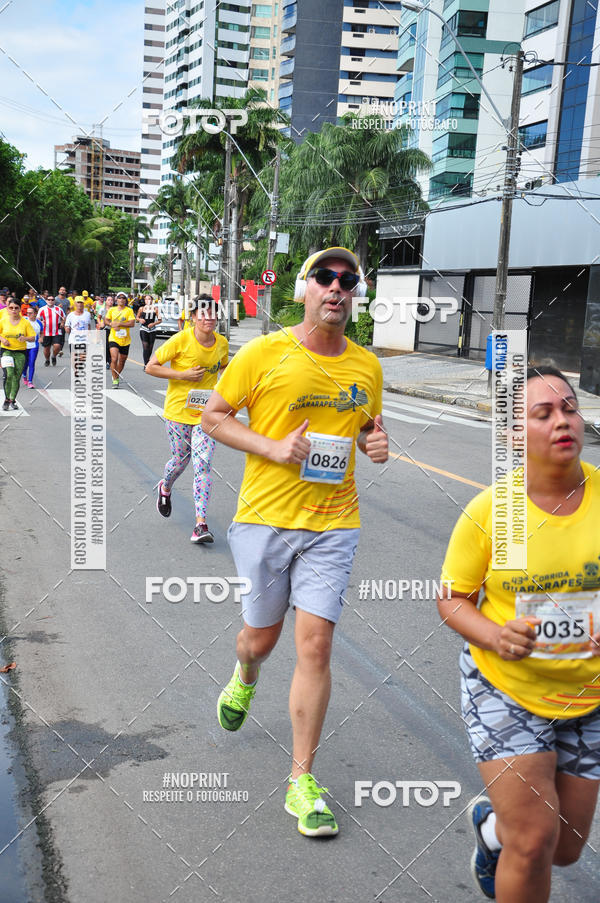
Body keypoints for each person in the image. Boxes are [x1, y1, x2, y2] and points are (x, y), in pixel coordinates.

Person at [202, 247, 388, 837]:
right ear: (303, 290)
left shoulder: (367, 368)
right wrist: (274, 447)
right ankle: (244, 675)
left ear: (354, 293)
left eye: (347, 280)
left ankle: (301, 781)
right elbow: (213, 416)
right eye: (325, 278)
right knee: (260, 641)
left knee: (315, 647)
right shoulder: (264, 352)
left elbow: (368, 430)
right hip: (265, 521)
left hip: (333, 523)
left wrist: (376, 446)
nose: (337, 287)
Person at [438, 365, 600, 902]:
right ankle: (510, 832)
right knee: (533, 840)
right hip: (504, 687)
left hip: (588, 694)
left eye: (570, 408)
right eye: (543, 413)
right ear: (513, 433)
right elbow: (452, 599)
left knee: (565, 848)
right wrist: (494, 634)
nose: (563, 421)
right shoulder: (494, 512)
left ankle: (491, 830)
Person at [145, 296, 228, 543]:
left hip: (207, 414)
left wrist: (224, 386)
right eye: (202, 314)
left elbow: (224, 367)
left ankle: (200, 524)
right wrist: (182, 375)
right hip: (178, 412)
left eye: (212, 314)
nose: (207, 319)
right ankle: (165, 486)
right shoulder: (181, 339)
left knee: (202, 464)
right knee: (180, 461)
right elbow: (151, 366)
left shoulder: (222, 343)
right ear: (193, 317)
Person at [0, 298, 37, 409]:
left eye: (16, 308)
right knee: (9, 375)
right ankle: (6, 399)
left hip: (20, 352)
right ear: (8, 309)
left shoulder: (25, 323)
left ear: (20, 309)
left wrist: (25, 338)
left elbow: (32, 338)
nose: (14, 310)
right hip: (6, 351)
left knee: (16, 377)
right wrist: (2, 339)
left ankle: (12, 400)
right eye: (11, 308)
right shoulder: (3, 321)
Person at [100, 291, 135, 387]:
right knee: (114, 359)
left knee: (122, 361)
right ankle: (115, 379)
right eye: (119, 297)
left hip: (125, 339)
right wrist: (111, 324)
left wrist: (119, 324)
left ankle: (116, 374)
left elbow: (132, 323)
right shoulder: (112, 310)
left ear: (126, 300)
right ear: (117, 299)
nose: (121, 299)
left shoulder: (129, 311)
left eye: (123, 298)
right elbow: (106, 320)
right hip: (113, 338)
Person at [65, 297, 94, 367]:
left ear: (83, 304)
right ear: (75, 303)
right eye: (78, 302)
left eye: (81, 302)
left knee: (82, 358)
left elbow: (89, 325)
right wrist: (67, 329)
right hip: (73, 340)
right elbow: (66, 326)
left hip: (84, 339)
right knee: (74, 357)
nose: (80, 304)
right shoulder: (70, 315)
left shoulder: (87, 314)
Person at [37, 295, 65, 366]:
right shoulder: (42, 309)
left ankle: (54, 356)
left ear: (54, 301)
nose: (50, 301)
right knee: (47, 348)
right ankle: (47, 359)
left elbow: (63, 318)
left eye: (52, 300)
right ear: (46, 301)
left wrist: (62, 323)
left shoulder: (58, 309)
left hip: (56, 331)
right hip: (46, 331)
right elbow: (38, 318)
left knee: (57, 346)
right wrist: (41, 322)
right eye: (49, 299)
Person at [136, 294, 162, 366]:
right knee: (145, 346)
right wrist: (140, 319)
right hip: (143, 329)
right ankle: (146, 364)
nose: (148, 300)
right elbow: (137, 317)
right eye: (146, 299)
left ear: (152, 300)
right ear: (144, 301)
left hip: (152, 330)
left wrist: (153, 324)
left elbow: (160, 320)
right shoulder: (141, 308)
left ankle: (147, 360)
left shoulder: (155, 309)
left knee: (150, 347)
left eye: (149, 299)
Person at [23, 305, 42, 387]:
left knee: (31, 362)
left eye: (30, 313)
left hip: (34, 345)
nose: (28, 314)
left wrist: (41, 338)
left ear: (35, 314)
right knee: (25, 363)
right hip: (24, 345)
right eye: (27, 313)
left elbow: (42, 332)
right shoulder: (24, 321)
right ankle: (24, 376)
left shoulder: (39, 323)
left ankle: (30, 381)